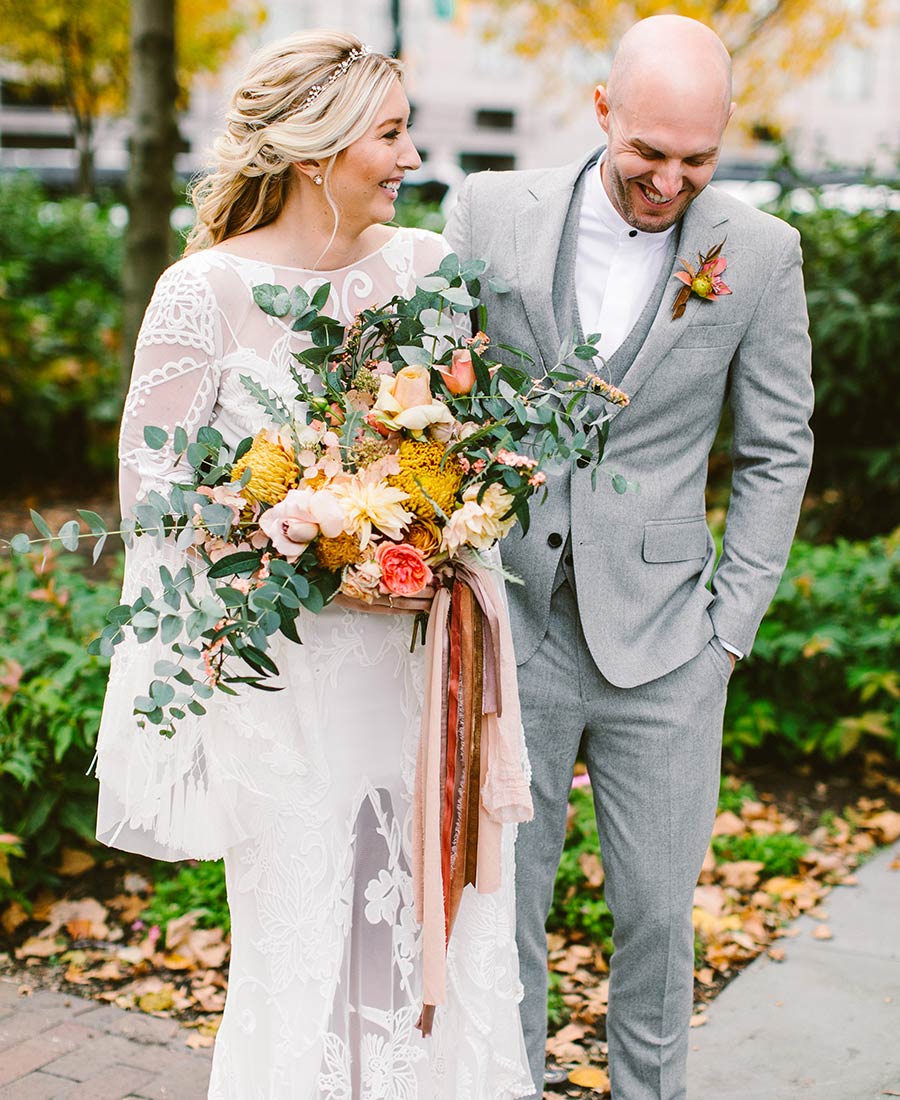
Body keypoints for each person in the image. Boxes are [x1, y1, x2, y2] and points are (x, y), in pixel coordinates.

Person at [93, 31, 533, 1099]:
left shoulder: (426, 269)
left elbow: (461, 452)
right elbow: (153, 500)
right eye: (389, 133)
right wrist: (297, 526)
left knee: (428, 925)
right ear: (315, 150)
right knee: (304, 947)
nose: (409, 156)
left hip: (418, 675)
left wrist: (446, 513)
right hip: (282, 690)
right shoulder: (202, 293)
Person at [444, 14, 814, 1100]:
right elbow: (436, 396)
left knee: (657, 918)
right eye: (647, 152)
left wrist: (727, 634)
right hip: (511, 621)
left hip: (667, 645)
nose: (668, 181)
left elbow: (779, 447)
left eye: (697, 160)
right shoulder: (487, 211)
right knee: (503, 907)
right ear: (601, 110)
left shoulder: (759, 250)